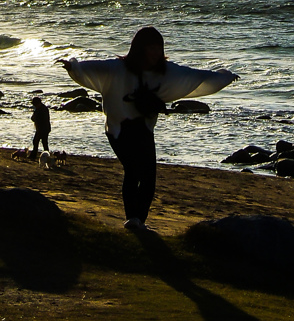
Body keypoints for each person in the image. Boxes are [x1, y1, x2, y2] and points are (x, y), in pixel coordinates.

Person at [58, 26, 238, 232]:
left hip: (143, 128)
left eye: (158, 48)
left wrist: (225, 77)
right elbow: (94, 68)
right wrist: (74, 67)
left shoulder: (165, 71)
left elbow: (194, 76)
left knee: (149, 178)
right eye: (150, 48)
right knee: (133, 171)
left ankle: (137, 222)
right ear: (139, 48)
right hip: (118, 128)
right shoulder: (118, 68)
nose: (155, 53)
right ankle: (132, 219)